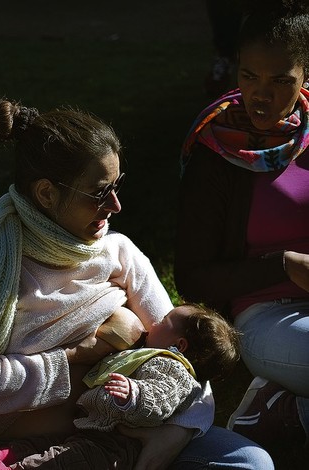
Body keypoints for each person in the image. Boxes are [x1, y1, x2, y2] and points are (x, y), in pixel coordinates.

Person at [0, 97, 272, 470]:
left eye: (116, 185)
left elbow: (185, 359)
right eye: (98, 192)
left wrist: (173, 435)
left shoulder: (118, 251)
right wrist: (83, 353)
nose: (115, 205)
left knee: (251, 461)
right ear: (47, 193)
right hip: (37, 450)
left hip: (126, 436)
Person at [176, 0, 309, 451]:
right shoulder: (216, 153)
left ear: (305, 78)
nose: (260, 95)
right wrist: (285, 266)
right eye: (249, 76)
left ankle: (286, 411)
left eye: (279, 81)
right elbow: (192, 276)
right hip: (264, 316)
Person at [0, 303, 242, 469]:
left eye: (165, 321)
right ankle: (2, 454)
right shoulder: (153, 355)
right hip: (98, 432)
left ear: (179, 345)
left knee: (62, 462)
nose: (155, 321)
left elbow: (160, 399)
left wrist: (134, 395)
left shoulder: (172, 368)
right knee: (53, 445)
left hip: (118, 449)